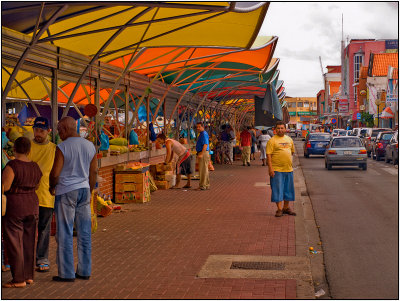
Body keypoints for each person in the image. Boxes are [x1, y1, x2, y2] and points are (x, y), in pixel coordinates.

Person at [49, 117, 97, 282]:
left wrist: (51, 186)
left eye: (58, 130)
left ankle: (67, 273)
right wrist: (89, 190)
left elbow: (55, 173)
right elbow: (94, 172)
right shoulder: (89, 146)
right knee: (84, 233)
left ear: (64, 129)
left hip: (66, 191)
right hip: (84, 190)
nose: (58, 134)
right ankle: (84, 270)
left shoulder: (62, 147)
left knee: (65, 232)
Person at [2, 137, 42, 288]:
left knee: (14, 242)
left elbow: (5, 186)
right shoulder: (35, 166)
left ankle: (18, 279)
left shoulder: (12, 165)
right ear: (29, 150)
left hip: (15, 205)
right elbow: (37, 185)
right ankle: (28, 276)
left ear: (14, 149)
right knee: (29, 241)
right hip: (32, 204)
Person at [28, 117, 56, 273]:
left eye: (41, 131)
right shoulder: (28, 147)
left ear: (48, 131)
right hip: (29, 196)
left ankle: (42, 258)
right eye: (36, 130)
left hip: (46, 196)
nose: (38, 134)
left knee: (44, 230)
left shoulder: (54, 149)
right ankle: (26, 258)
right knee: (28, 229)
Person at [266, 121, 296, 217]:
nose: (280, 130)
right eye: (278, 128)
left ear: (285, 129)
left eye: (282, 128)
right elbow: (268, 156)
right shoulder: (272, 141)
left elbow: (292, 152)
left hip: (288, 169)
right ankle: (279, 209)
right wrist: (270, 168)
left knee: (288, 189)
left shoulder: (289, 139)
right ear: (275, 129)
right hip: (277, 170)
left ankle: (286, 208)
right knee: (277, 189)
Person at [195, 122, 210, 190]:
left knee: (202, 170)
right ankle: (206, 184)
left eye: (199, 127)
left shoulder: (203, 134)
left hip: (203, 153)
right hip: (202, 152)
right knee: (205, 169)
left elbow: (205, 144)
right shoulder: (201, 134)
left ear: (202, 127)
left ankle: (202, 185)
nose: (197, 128)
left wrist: (201, 154)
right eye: (197, 127)